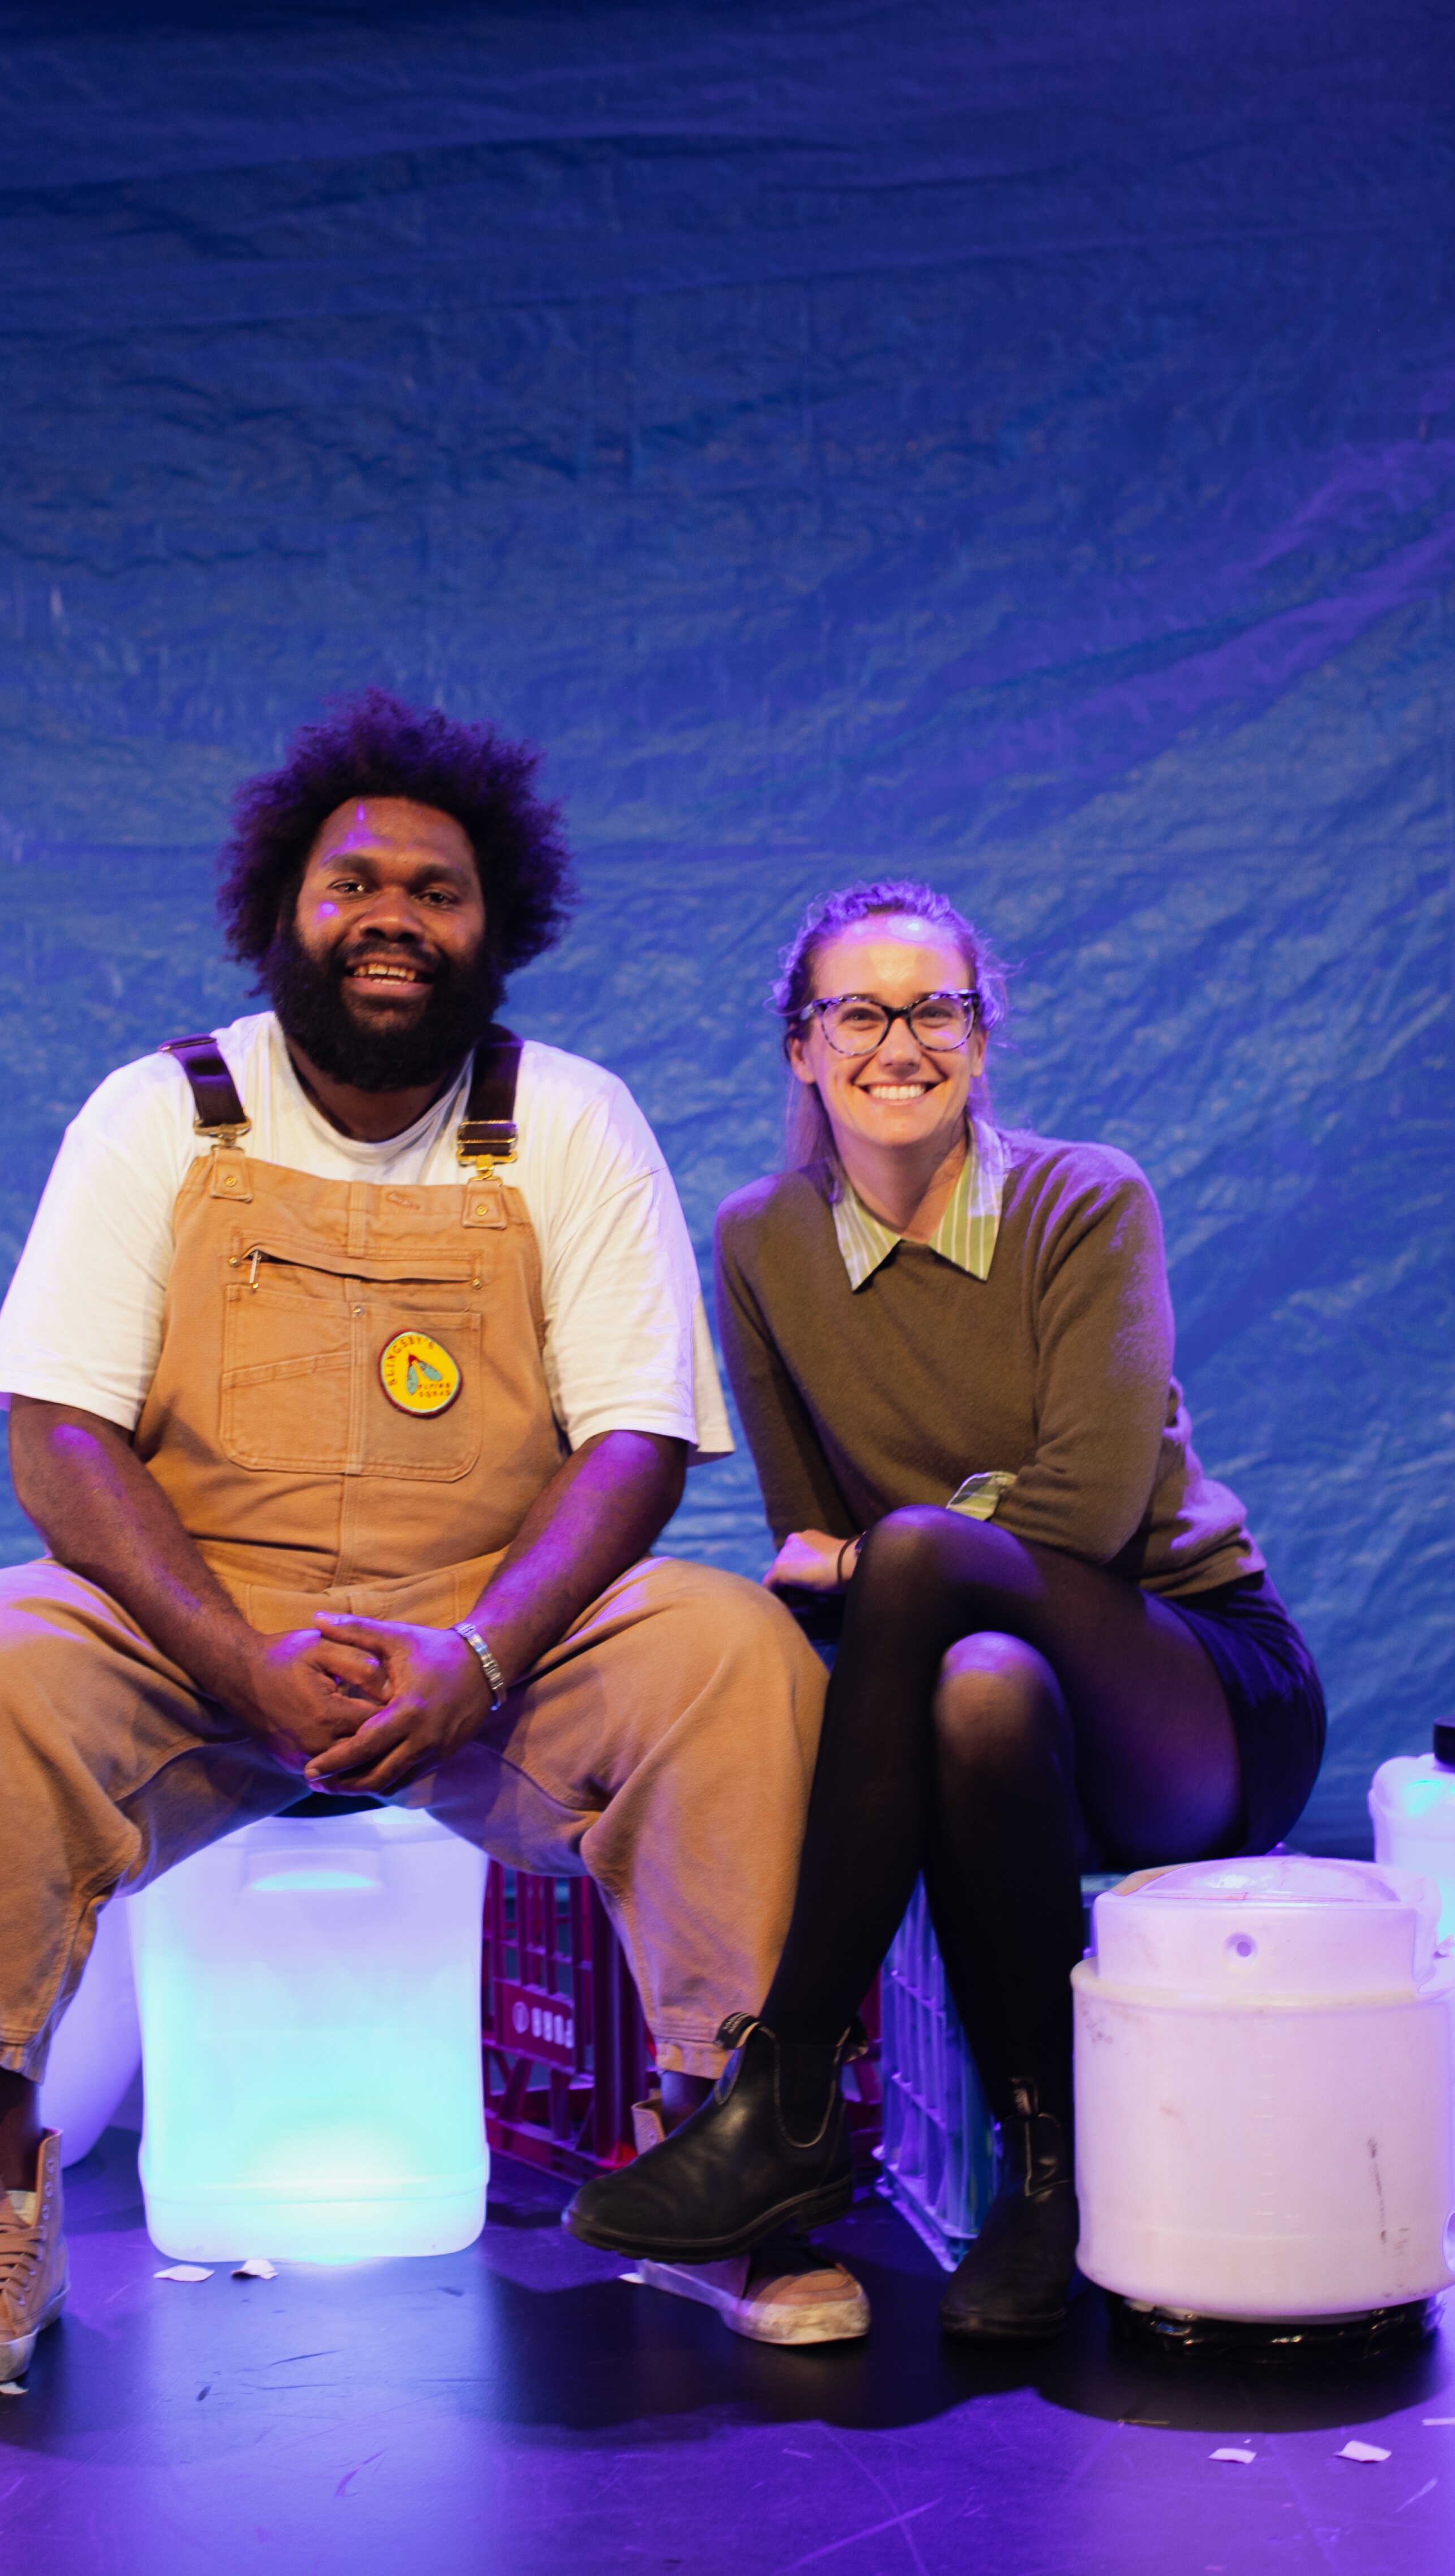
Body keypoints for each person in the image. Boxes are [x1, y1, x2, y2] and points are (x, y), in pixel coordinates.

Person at [0, 691, 833, 2386]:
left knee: (730, 1656)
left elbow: (638, 1445)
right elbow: (60, 1433)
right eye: (352, 882)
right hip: (190, 1638)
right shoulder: (161, 1112)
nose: (392, 917)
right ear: (281, 915)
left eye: (437, 892)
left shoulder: (575, 1120)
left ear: (496, 926)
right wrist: (234, 1656)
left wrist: (483, 1652)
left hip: (496, 1644)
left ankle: (710, 2177)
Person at [564, 878, 1325, 2339]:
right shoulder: (759, 1241)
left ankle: (778, 2095)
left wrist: (882, 1555)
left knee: (914, 1563)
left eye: (937, 1009)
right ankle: (1047, 2189)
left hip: (1194, 1689)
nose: (898, 1042)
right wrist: (876, 1560)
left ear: (982, 1038)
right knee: (977, 1681)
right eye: (860, 1010)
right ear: (802, 1046)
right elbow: (805, 1535)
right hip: (999, 1723)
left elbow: (1092, 1516)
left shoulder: (1082, 1199)